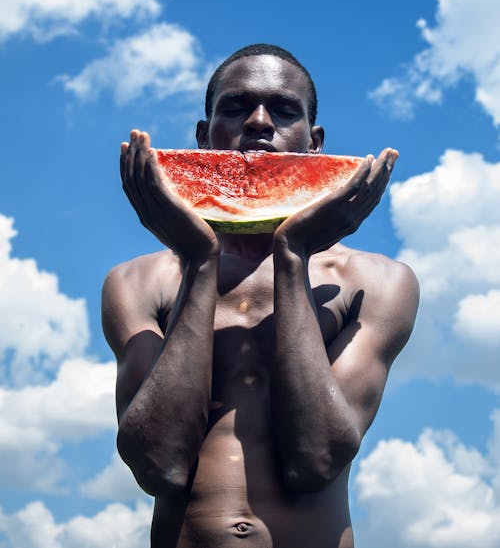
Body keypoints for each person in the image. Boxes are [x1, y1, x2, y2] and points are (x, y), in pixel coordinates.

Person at [102, 44, 419, 548]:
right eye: (234, 106)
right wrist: (199, 262)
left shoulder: (377, 281)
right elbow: (158, 465)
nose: (258, 121)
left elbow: (314, 461)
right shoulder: (138, 282)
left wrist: (292, 255)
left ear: (314, 143)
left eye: (284, 109)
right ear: (203, 137)